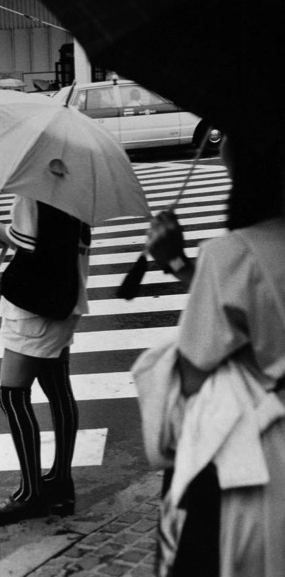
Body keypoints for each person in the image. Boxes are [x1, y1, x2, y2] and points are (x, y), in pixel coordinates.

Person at [145, 133, 285, 576]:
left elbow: (193, 376)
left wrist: (178, 260)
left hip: (260, 469)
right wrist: (183, 267)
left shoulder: (231, 254)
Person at [0, 195, 91, 524]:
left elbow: (30, 244)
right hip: (67, 298)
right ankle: (61, 483)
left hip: (34, 309)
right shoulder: (76, 187)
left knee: (11, 395)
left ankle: (31, 495)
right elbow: (54, 243)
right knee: (57, 386)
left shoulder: (36, 190)